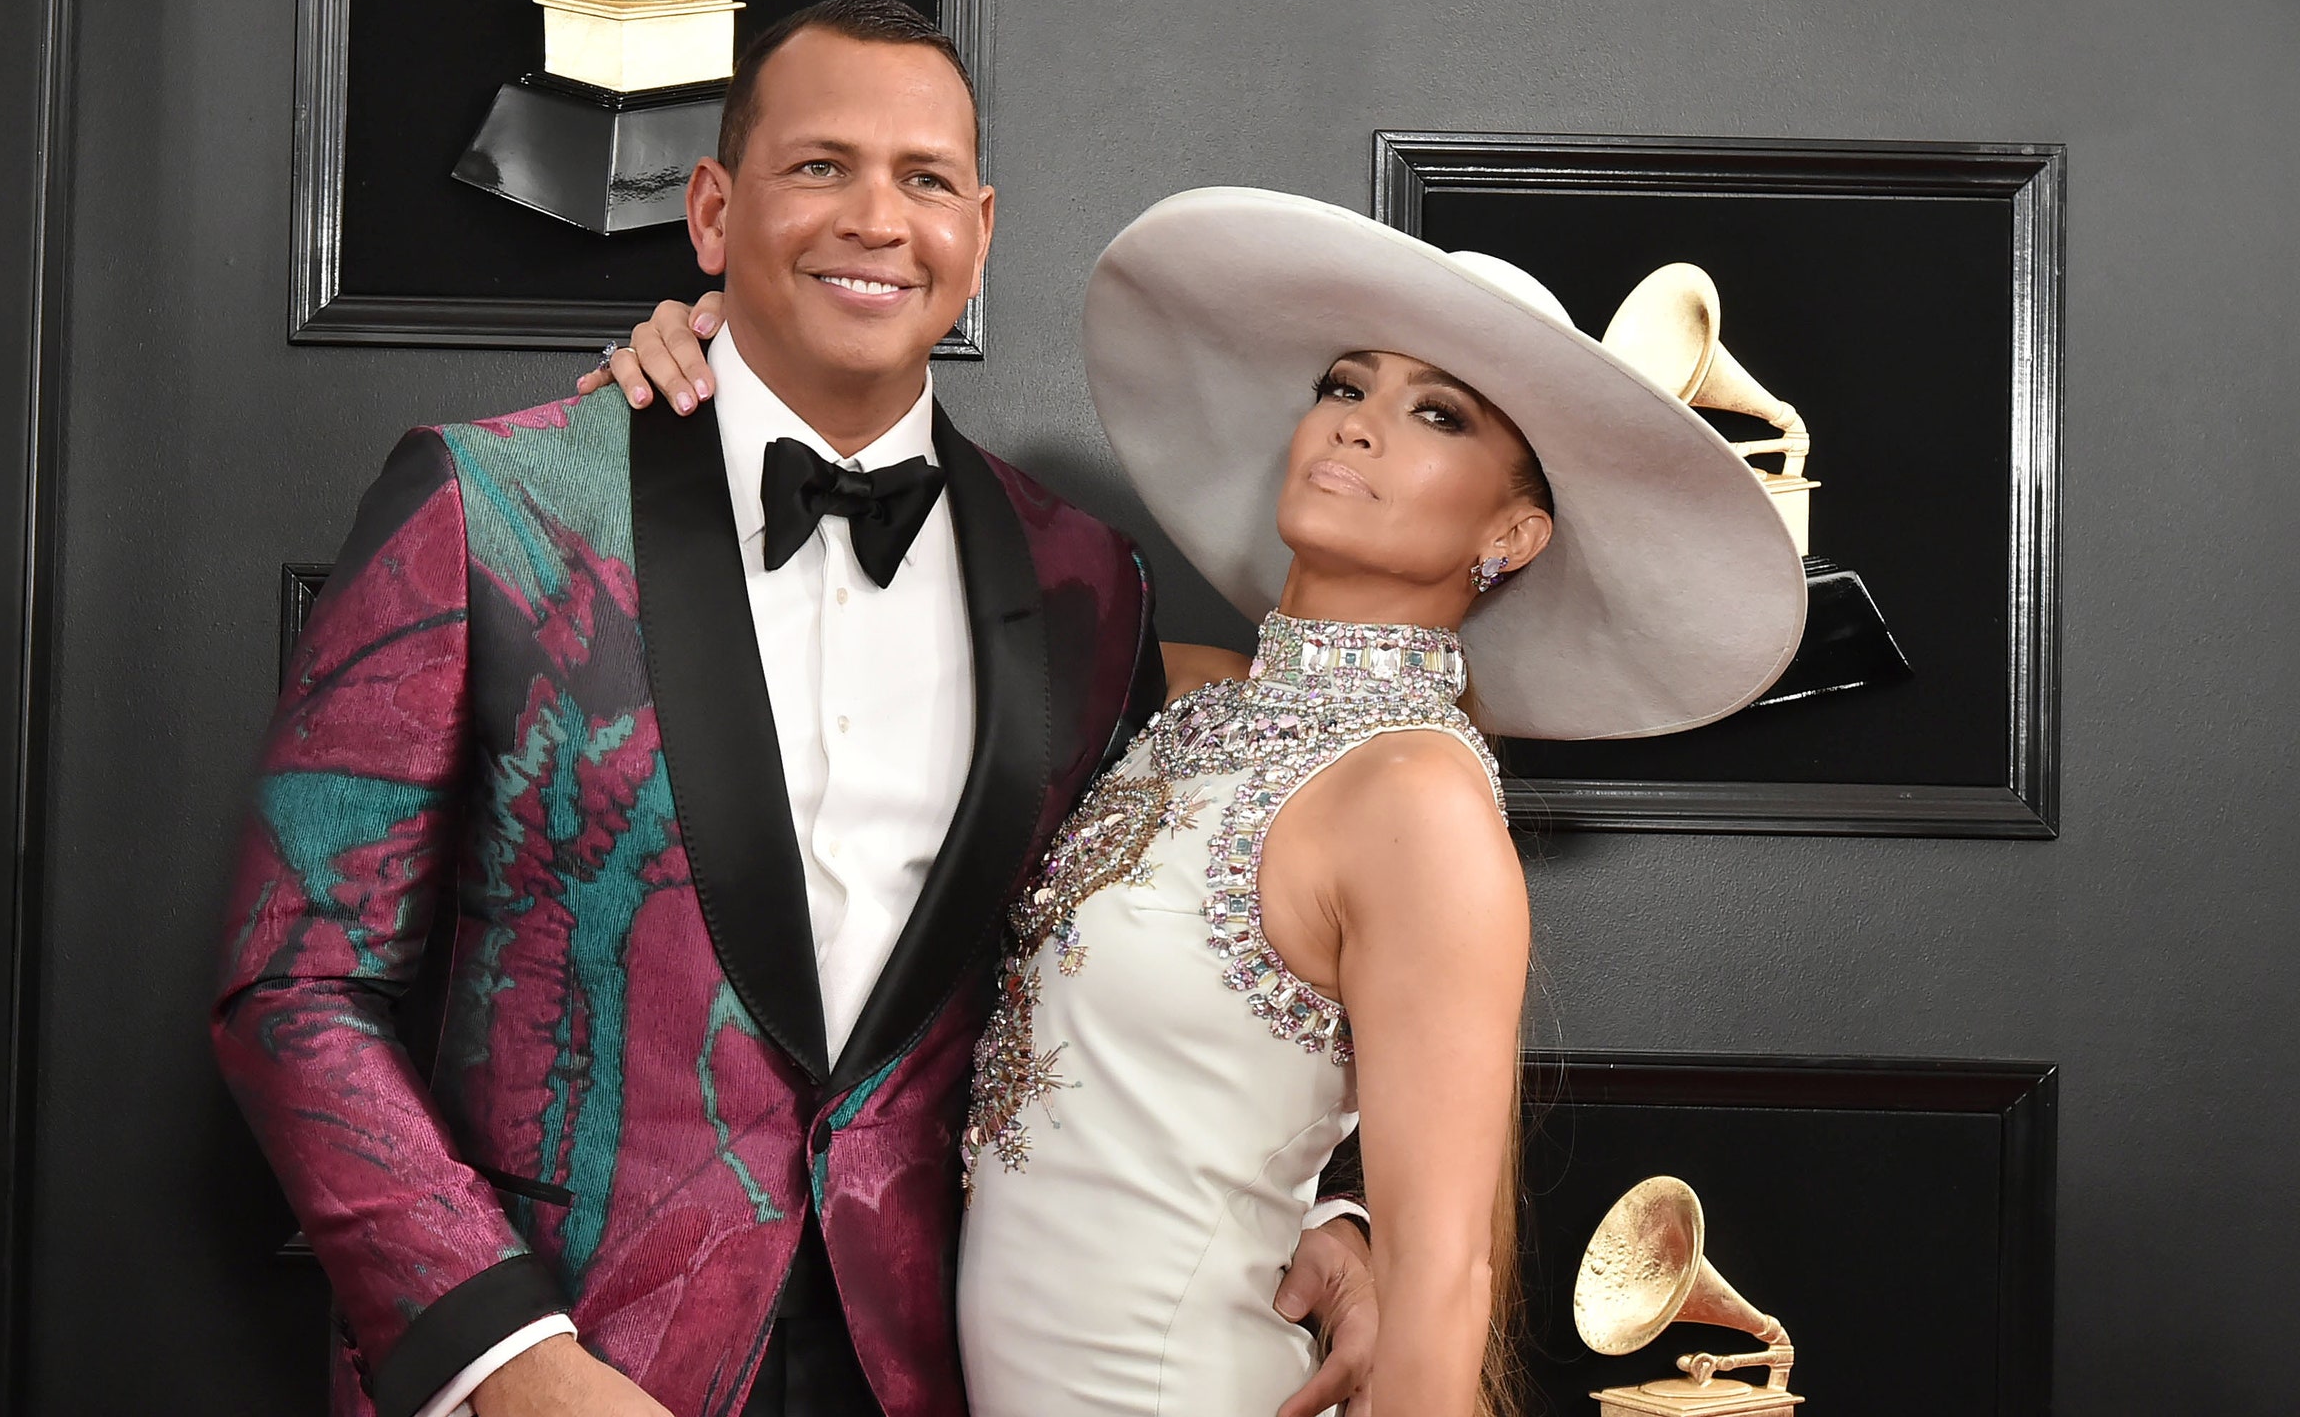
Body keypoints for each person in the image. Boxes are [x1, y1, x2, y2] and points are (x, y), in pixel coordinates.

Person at [212, 3, 1375, 1417]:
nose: (879, 219)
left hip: (946, 1368)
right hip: (567, 1356)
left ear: (983, 229)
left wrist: (1331, 1208)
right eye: (821, 167)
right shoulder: (483, 507)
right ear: (711, 210)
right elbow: (294, 986)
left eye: (927, 179)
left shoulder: (1088, 581)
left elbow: (1178, 946)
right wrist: (505, 1358)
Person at [611, 188, 1805, 1414]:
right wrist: (740, 380)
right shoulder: (1175, 694)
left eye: (1435, 413)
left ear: (1513, 529)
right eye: (1344, 387)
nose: (1357, 428)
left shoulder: (1419, 803)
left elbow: (1443, 1278)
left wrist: (1358, 1242)